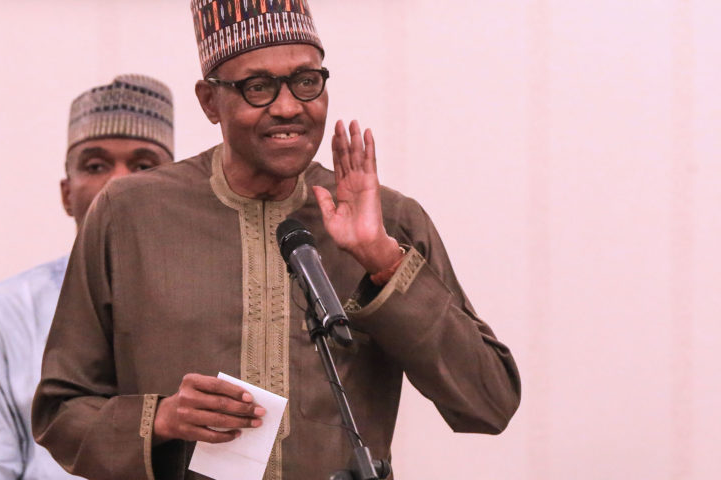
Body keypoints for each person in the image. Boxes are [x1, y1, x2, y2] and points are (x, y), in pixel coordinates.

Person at [33, 2, 521, 480]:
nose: (288, 107)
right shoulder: (129, 214)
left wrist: (383, 261)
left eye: (306, 82)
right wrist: (160, 419)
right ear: (209, 101)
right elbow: (60, 413)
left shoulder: (388, 219)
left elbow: (489, 402)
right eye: (258, 87)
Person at [0, 74, 175, 480]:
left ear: (173, 190)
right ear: (67, 193)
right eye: (96, 165)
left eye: (143, 165)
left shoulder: (210, 303)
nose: (118, 182)